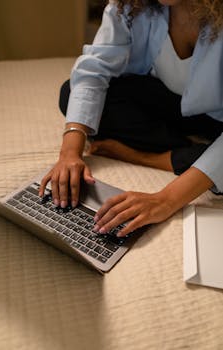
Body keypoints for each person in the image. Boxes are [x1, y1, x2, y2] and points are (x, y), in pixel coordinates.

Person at [39, 0, 223, 237]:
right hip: (174, 101)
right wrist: (69, 154)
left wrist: (165, 200)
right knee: (71, 94)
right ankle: (194, 155)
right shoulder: (130, 4)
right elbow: (95, 69)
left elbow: (166, 201)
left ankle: (155, 158)